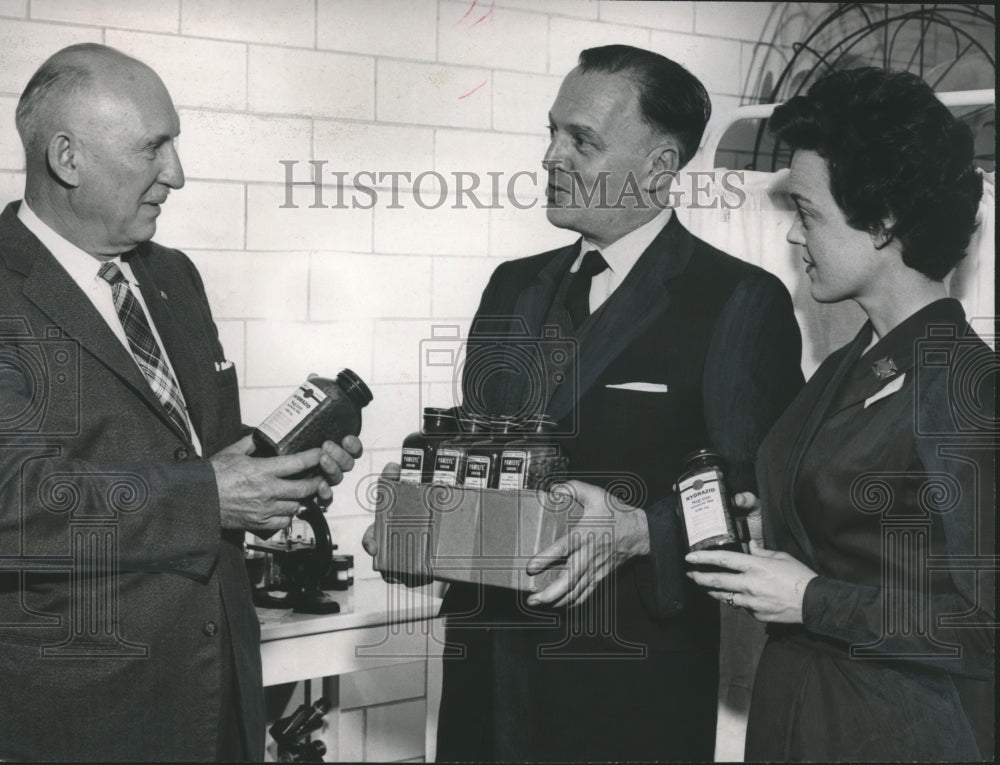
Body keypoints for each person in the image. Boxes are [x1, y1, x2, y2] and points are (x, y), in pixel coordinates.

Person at [365, 44, 804, 761]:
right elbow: (480, 458)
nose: (550, 156)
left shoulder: (737, 301)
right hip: (485, 680)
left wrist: (638, 531)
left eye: (582, 140)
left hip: (628, 692)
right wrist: (420, 529)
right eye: (552, 131)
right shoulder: (513, 286)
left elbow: (760, 494)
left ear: (661, 167)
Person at [0, 44, 361, 761]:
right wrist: (211, 498)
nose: (178, 175)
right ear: (67, 159)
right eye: (152, 149)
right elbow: (14, 499)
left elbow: (194, 455)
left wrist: (276, 475)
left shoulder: (172, 276)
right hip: (84, 719)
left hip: (218, 694)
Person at [686, 67, 995, 761]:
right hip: (799, 709)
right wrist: (776, 527)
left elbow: (986, 627)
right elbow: (871, 532)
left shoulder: (970, 388)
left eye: (808, 212)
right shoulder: (846, 365)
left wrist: (811, 598)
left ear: (882, 222)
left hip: (898, 731)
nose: (794, 238)